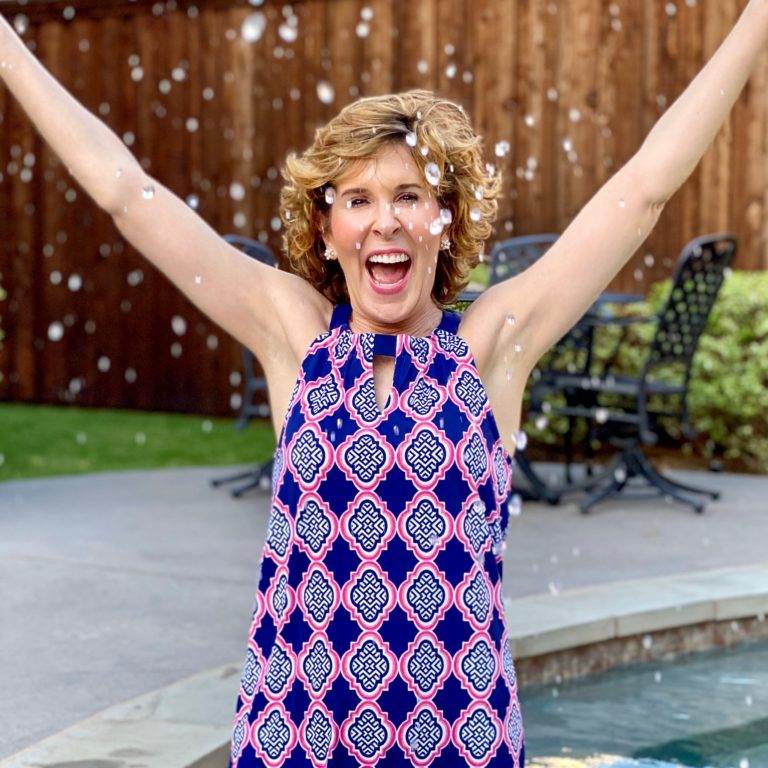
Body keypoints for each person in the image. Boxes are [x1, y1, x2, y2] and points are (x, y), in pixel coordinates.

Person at [1, 3, 767, 765]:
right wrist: (8, 53)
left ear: (445, 217)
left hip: (460, 745)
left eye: (408, 195)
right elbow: (126, 194)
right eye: (357, 199)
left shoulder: (493, 344)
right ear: (327, 230)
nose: (384, 222)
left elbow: (644, 189)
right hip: (293, 741)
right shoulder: (292, 333)